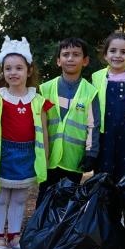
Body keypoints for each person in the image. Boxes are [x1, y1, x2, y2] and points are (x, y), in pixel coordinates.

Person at [0, 37, 53, 249]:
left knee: (20, 198)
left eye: (18, 68)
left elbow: (44, 131)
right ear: (2, 71)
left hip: (27, 155)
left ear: (29, 70)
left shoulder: (38, 100)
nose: (13, 73)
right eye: (8, 68)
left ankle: (14, 237)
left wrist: (45, 156)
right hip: (4, 154)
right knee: (1, 197)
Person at [39, 37, 100, 197]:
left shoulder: (90, 92)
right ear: (58, 61)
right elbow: (38, 125)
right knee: (44, 198)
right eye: (65, 54)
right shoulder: (45, 89)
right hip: (48, 158)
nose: (70, 58)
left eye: (76, 54)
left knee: (68, 202)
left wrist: (91, 153)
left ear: (85, 61)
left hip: (74, 160)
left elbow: (93, 126)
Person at [90, 31, 125, 178]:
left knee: (123, 170)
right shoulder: (97, 77)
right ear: (105, 55)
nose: (118, 55)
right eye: (113, 51)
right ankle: (100, 193)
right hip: (103, 133)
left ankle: (120, 193)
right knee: (102, 170)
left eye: (123, 52)